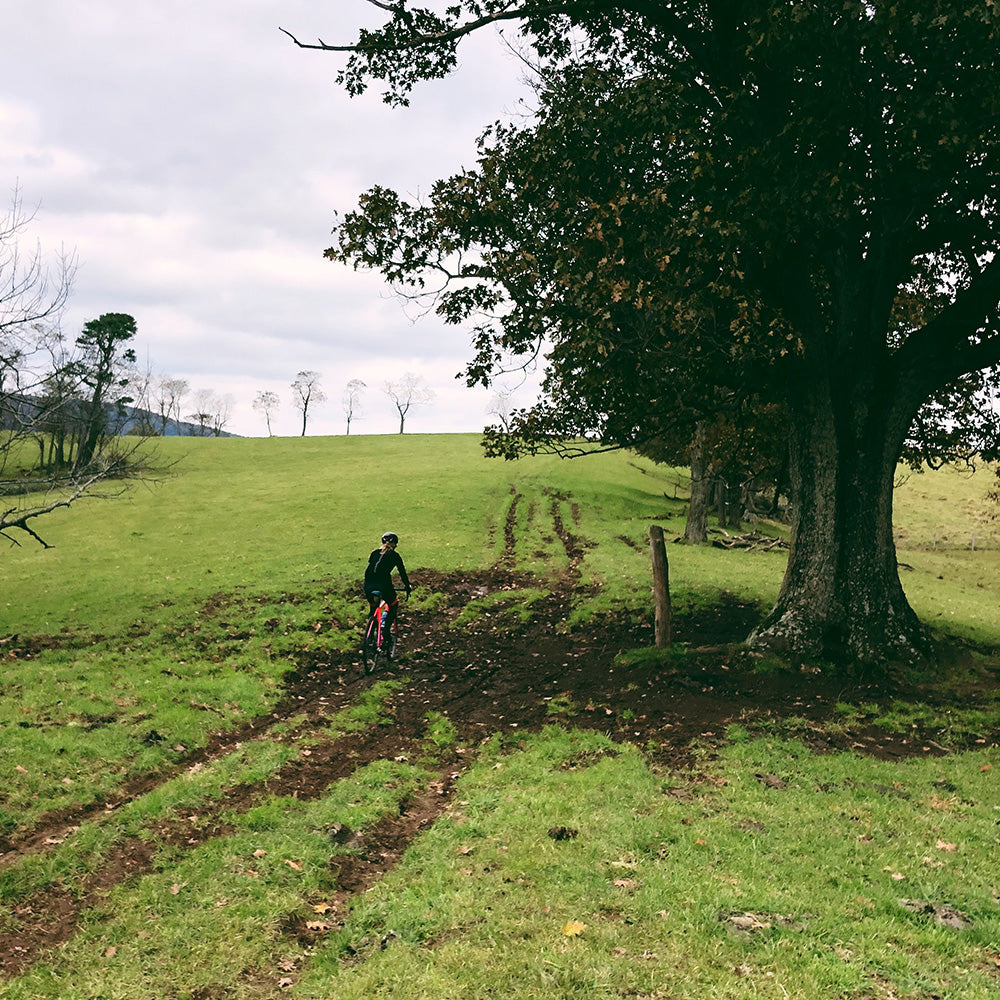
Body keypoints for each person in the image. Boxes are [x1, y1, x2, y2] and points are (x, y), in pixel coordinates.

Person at [363, 532, 412, 645]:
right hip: (384, 585)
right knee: (393, 604)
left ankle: (370, 634)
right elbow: (402, 573)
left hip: (368, 585)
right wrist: (407, 586)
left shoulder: (374, 553)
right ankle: (385, 630)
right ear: (395, 544)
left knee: (373, 608)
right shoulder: (395, 556)